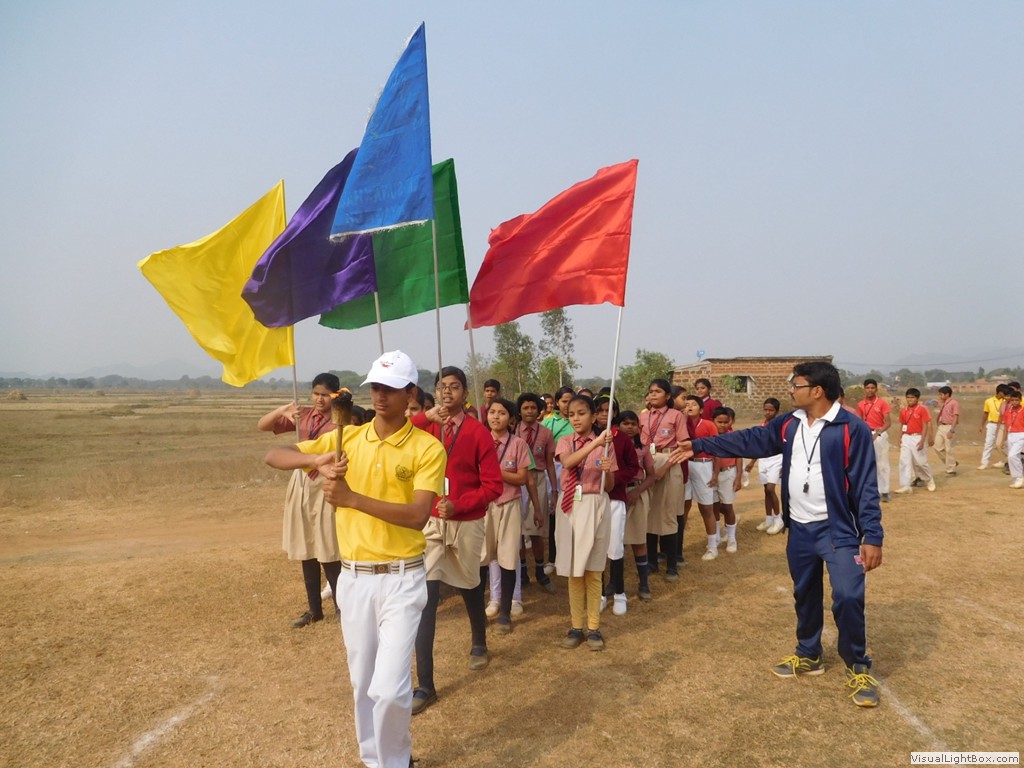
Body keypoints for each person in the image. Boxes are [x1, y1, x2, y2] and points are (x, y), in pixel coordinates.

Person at [264, 350, 445, 767]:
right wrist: (316, 459)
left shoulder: (427, 448)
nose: (380, 396)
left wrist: (351, 499)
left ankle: (396, 759)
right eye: (375, 387)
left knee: (390, 689)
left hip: (402, 578)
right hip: (355, 579)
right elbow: (274, 455)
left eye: (391, 388)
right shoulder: (348, 439)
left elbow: (418, 516)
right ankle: (374, 759)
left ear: (410, 393)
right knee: (362, 683)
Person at [671, 361, 883, 707]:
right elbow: (750, 440)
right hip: (799, 528)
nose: (791, 390)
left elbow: (865, 486)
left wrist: (872, 536)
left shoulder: (851, 428)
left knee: (847, 596)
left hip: (838, 531)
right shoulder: (789, 423)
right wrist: (699, 445)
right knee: (804, 593)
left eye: (796, 385)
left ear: (817, 391)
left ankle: (857, 664)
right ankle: (809, 654)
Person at [409, 366, 503, 715]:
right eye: (441, 387)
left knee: (469, 584)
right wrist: (426, 417)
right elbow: (399, 432)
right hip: (433, 522)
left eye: (454, 387)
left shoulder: (478, 433)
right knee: (426, 596)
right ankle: (426, 684)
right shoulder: (427, 427)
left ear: (465, 393)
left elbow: (493, 486)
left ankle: (479, 640)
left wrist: (459, 504)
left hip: (467, 520)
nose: (446, 392)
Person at [257, 372, 343, 628]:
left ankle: (342, 607)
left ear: (335, 395)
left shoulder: (341, 418)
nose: (319, 399)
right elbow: (263, 426)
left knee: (329, 545)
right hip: (302, 479)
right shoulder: (303, 415)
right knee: (306, 544)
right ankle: (314, 609)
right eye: (316, 393)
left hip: (326, 479)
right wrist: (281, 410)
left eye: (325, 395)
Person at [555, 395, 616, 650]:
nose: (576, 419)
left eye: (581, 413)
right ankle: (575, 626)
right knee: (573, 570)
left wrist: (607, 469)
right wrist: (595, 443)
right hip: (570, 506)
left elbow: (609, 485)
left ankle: (593, 628)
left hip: (595, 503)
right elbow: (568, 462)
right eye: (571, 414)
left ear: (593, 416)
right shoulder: (565, 441)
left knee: (593, 569)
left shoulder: (606, 445)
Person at [481, 398, 532, 633]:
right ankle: (487, 604)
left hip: (510, 504)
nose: (496, 417)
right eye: (492, 412)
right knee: (483, 557)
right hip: (485, 505)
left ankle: (505, 613)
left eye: (501, 413)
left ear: (511, 419)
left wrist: (495, 472)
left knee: (509, 557)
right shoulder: (480, 440)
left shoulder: (518, 444)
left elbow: (521, 478)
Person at [595, 393, 640, 615]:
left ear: (615, 413)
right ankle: (600, 593)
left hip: (614, 498)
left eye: (609, 410)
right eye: (600, 410)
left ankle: (620, 593)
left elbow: (633, 467)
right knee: (596, 549)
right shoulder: (588, 438)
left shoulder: (621, 439)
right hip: (592, 500)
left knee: (614, 547)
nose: (604, 414)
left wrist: (613, 478)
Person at [640, 379, 689, 581]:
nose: (653, 394)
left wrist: (665, 468)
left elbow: (683, 446)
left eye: (658, 391)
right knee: (649, 513)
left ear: (668, 396)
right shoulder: (643, 416)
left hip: (669, 461)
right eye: (651, 391)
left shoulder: (676, 415)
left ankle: (672, 564)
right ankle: (651, 561)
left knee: (668, 514)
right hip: (648, 462)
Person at [516, 393, 557, 592]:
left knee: (536, 530)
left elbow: (550, 464)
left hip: (538, 479)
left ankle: (540, 572)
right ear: (519, 411)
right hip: (516, 479)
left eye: (533, 408)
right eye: (526, 408)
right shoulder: (513, 431)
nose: (530, 411)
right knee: (518, 531)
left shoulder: (546, 433)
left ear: (539, 410)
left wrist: (554, 490)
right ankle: (523, 572)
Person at [618, 411, 659, 601]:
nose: (629, 427)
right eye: (625, 423)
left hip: (637, 494)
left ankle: (643, 584)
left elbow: (651, 476)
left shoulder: (643, 449)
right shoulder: (611, 448)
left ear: (638, 427)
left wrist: (637, 491)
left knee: (638, 540)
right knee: (616, 542)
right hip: (617, 494)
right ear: (617, 426)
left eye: (633, 424)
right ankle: (615, 584)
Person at [680, 394, 721, 561]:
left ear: (702, 410)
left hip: (703, 465)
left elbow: (717, 448)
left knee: (706, 507)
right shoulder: (681, 423)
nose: (689, 407)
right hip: (684, 464)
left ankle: (712, 546)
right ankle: (678, 546)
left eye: (693, 404)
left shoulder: (708, 425)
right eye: (686, 404)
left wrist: (716, 472)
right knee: (683, 506)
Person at [745, 398, 784, 535]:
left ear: (777, 411)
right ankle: (768, 518)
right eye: (765, 409)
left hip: (776, 459)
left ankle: (778, 519)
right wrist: (752, 462)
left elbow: (786, 444)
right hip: (764, 459)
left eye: (771, 410)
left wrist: (785, 464)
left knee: (771, 488)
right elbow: (759, 445)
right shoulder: (762, 425)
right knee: (766, 490)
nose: (767, 412)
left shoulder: (780, 426)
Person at [709, 407, 742, 554]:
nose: (722, 425)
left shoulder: (733, 437)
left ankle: (731, 538)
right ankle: (716, 535)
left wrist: (739, 476)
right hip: (711, 474)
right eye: (719, 422)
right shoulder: (710, 436)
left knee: (727, 506)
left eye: (725, 422)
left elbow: (739, 456)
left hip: (728, 473)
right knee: (714, 506)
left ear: (730, 422)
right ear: (713, 421)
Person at [893, 388, 935, 494]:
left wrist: (922, 440)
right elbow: (902, 424)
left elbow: (925, 425)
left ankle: (929, 480)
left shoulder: (922, 410)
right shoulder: (903, 410)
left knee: (920, 462)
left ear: (917, 398)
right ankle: (906, 485)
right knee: (904, 461)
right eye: (908, 397)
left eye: (912, 397)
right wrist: (900, 438)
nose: (910, 399)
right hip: (906, 437)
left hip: (917, 437)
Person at [856, 379, 892, 502]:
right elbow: (859, 421)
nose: (870, 390)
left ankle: (885, 491)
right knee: (868, 463)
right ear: (864, 389)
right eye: (867, 388)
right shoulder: (861, 404)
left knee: (882, 464)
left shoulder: (882, 403)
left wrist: (878, 433)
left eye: (872, 388)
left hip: (880, 434)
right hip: (866, 434)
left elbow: (888, 422)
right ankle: (872, 490)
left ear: (876, 389)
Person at [978, 385, 1008, 470]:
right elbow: (985, 413)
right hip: (992, 424)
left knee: (1002, 444)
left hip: (1003, 425)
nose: (1006, 395)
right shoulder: (988, 401)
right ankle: (984, 463)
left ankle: (1005, 461)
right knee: (988, 443)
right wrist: (981, 425)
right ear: (1000, 392)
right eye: (1005, 393)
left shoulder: (1006, 401)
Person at [933, 386, 960, 475]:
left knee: (949, 449)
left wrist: (952, 430)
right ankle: (952, 462)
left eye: (941, 394)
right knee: (937, 447)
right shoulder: (944, 403)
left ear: (947, 394)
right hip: (942, 426)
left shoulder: (954, 403)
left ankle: (951, 470)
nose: (940, 396)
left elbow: (956, 417)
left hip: (949, 427)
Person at [1005, 388, 1024, 489]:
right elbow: (1006, 424)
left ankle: (1020, 477)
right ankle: (1016, 478)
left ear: (1020, 400)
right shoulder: (1008, 411)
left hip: (1021, 435)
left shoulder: (1023, 410)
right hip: (1010, 434)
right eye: (1012, 400)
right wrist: (1005, 438)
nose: (1014, 402)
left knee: (1012, 456)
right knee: (1013, 457)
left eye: (1016, 400)